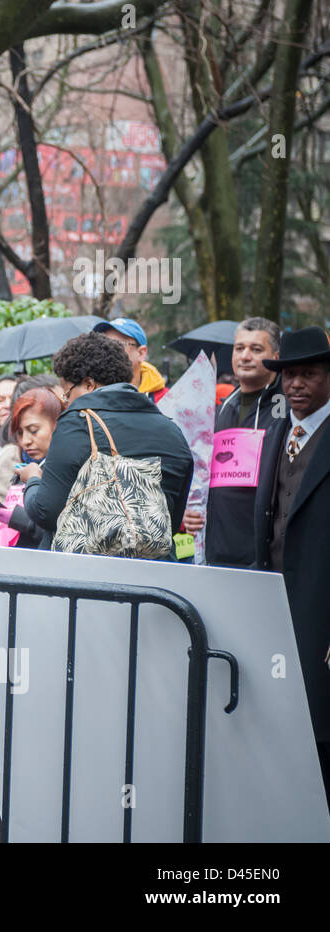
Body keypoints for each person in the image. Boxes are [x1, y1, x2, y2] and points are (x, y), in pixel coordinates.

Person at [18, 332, 192, 557]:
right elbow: (173, 519)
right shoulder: (173, 432)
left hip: (91, 575)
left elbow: (46, 511)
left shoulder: (78, 422)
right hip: (156, 577)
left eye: (67, 394)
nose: (67, 403)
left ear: (89, 384)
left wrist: (32, 479)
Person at [252, 326, 330, 809]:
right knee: (280, 719)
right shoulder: (278, 431)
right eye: (289, 375)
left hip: (320, 606)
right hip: (274, 604)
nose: (296, 384)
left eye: (310, 374)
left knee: (320, 728)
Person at [181, 317, 281, 567]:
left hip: (262, 551)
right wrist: (193, 510)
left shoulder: (285, 408)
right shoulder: (221, 407)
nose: (245, 356)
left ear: (276, 357)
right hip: (218, 547)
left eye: (256, 349)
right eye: (239, 348)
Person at [0, 388, 62, 550]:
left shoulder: (68, 470)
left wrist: (20, 518)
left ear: (57, 425)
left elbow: (66, 535)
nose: (25, 441)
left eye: (33, 431)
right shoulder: (19, 462)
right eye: (20, 433)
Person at [94, 317, 168, 402]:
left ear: (141, 353)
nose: (107, 350)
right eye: (103, 343)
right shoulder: (90, 392)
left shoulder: (165, 400)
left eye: (117, 344)